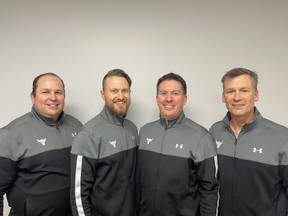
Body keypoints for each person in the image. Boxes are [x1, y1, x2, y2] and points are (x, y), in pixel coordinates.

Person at [0, 73, 83, 216]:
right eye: (45, 92)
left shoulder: (76, 126)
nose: (53, 97)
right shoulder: (11, 134)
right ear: (33, 97)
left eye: (58, 92)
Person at [138, 72, 219, 216]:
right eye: (163, 93)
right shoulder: (145, 132)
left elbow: (209, 189)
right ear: (157, 99)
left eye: (175, 93)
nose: (168, 99)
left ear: (185, 99)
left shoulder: (201, 137)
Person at [209, 67, 288, 216]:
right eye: (230, 91)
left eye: (244, 90)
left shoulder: (282, 137)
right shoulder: (214, 132)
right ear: (223, 97)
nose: (237, 97)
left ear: (256, 95)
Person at [70, 69, 138, 216]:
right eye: (114, 91)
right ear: (103, 94)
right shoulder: (88, 134)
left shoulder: (132, 129)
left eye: (125, 91)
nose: (120, 96)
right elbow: (78, 196)